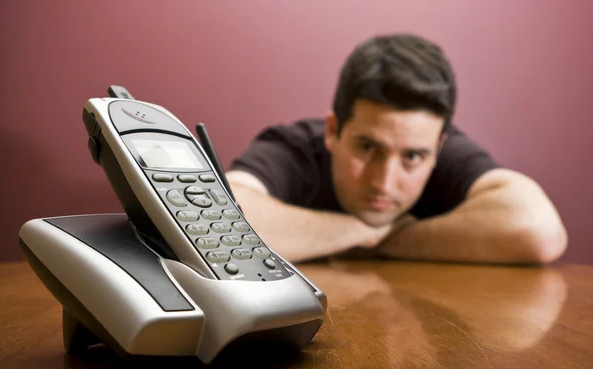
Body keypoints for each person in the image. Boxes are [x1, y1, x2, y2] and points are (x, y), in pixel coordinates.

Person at [225, 33, 567, 264]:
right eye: (367, 146)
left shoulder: (441, 151)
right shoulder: (293, 147)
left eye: (413, 157)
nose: (384, 183)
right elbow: (219, 222)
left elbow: (539, 232)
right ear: (333, 131)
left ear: (438, 149)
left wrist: (390, 240)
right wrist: (360, 231)